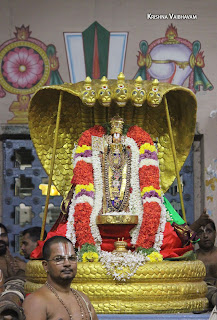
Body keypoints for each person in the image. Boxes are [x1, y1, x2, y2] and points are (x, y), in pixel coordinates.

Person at [23, 236, 98, 320]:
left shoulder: (83, 299)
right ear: (46, 266)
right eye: (59, 259)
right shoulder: (36, 301)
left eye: (71, 258)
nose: (67, 263)